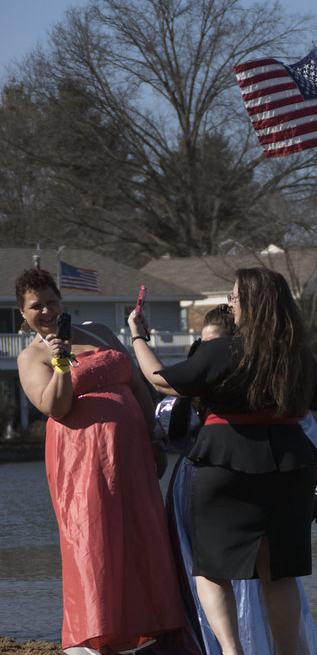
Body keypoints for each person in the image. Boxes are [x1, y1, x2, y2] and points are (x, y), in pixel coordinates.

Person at [128, 267, 317, 655]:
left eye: (235, 298)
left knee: (212, 569)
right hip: (290, 468)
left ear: (252, 304)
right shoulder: (297, 354)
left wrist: (137, 335)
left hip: (227, 464)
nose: (230, 305)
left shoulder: (224, 350)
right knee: (279, 574)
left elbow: (159, 378)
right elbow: (311, 402)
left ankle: (232, 652)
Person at [15, 268, 188, 654]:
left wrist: (152, 438)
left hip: (132, 452)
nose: (46, 310)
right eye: (35, 306)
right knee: (94, 539)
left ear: (63, 302)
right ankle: (97, 634)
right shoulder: (32, 357)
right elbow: (55, 407)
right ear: (22, 314)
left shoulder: (100, 332)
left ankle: (153, 628)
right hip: (82, 461)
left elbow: (137, 385)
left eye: (51, 301)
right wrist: (60, 363)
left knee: (143, 532)